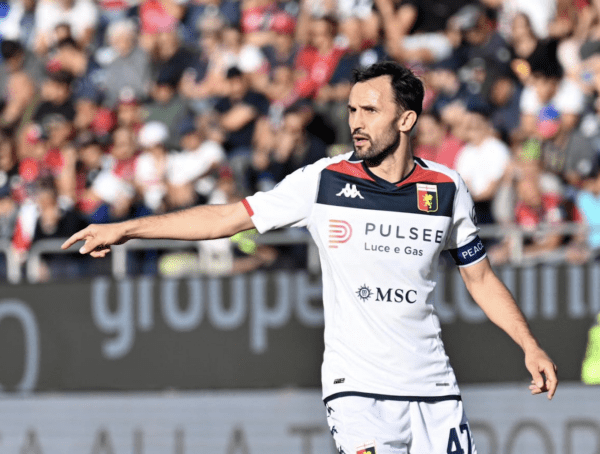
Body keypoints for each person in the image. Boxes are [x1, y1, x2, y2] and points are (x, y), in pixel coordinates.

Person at [61, 61, 558, 454]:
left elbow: (480, 278)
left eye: (369, 110)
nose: (356, 122)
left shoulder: (447, 188)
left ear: (406, 119)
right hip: (358, 390)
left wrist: (529, 345)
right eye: (352, 110)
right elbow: (226, 219)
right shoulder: (324, 181)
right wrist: (129, 228)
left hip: (434, 388)